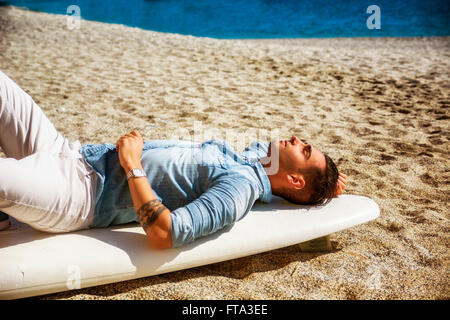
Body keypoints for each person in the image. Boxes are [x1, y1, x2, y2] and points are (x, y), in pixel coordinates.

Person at [0, 70, 347, 249]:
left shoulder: (238, 191)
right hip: (70, 153)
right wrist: (329, 185)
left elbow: (166, 233)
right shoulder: (252, 161)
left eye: (304, 150)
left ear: (295, 179)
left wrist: (133, 164)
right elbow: (280, 160)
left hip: (77, 195)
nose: (298, 140)